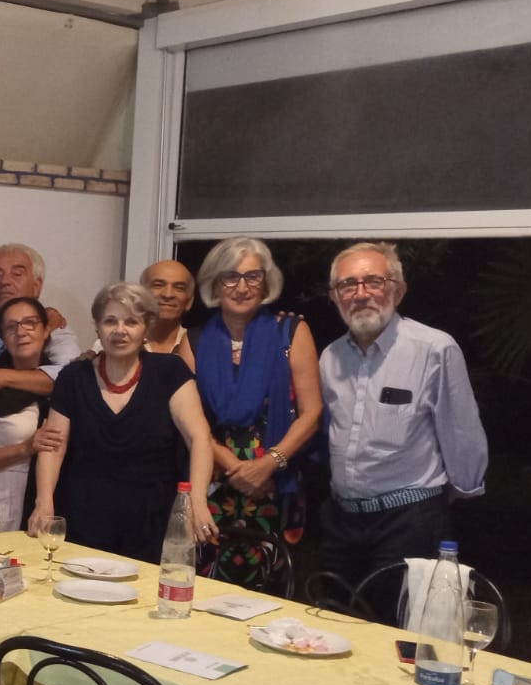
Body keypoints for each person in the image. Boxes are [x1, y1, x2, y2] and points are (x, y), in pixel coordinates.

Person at [318, 241, 487, 585]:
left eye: (373, 282)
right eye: (348, 284)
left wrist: (453, 496)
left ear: (398, 289)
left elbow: (461, 433)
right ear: (334, 295)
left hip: (409, 521)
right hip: (341, 521)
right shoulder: (330, 357)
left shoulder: (434, 348)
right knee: (335, 625)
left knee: (398, 633)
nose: (361, 293)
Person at [29, 282, 214, 561]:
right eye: (110, 321)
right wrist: (44, 501)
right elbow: (54, 445)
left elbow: (199, 438)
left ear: (146, 328)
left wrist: (197, 501)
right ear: (97, 327)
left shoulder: (170, 372)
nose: (120, 330)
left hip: (153, 520)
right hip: (82, 517)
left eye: (131, 322)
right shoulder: (73, 377)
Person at [190, 238, 322, 563]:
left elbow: (312, 413)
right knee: (207, 589)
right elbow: (191, 422)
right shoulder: (192, 342)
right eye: (230, 277)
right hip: (212, 485)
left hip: (277, 487)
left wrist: (267, 466)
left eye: (253, 276)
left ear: (266, 283)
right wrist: (238, 469)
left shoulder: (291, 332)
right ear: (214, 283)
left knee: (273, 591)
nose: (242, 287)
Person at [0, 296, 63, 532]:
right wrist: (25, 448)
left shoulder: (65, 381)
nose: (21, 332)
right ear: (1, 337)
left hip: (54, 497)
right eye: (11, 326)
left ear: (46, 330)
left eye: (30, 323)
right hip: (0, 495)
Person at [0, 243, 81, 376]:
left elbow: (71, 375)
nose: (5, 281)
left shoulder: (55, 328)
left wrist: (0, 378)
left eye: (17, 274)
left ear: (36, 286)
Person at [140, 259, 197, 367]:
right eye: (158, 285)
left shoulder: (198, 346)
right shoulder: (120, 342)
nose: (168, 294)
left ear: (189, 302)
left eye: (179, 288)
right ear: (140, 295)